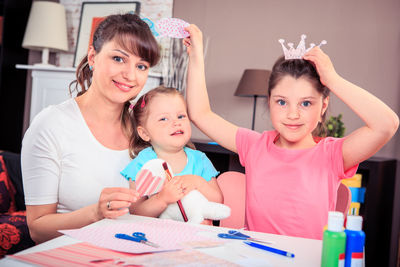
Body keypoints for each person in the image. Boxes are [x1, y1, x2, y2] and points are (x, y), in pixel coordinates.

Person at [184, 26, 399, 239]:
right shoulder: (254, 145)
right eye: (282, 102)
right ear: (269, 101)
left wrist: (333, 79)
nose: (292, 114)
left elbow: (386, 124)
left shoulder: (333, 154)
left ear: (323, 106)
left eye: (305, 103)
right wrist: (196, 56)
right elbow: (200, 114)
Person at [21, 13, 160, 243]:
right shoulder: (51, 125)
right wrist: (95, 213)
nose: (130, 75)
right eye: (118, 58)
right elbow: (37, 229)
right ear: (93, 57)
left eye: (141, 65)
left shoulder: (144, 130)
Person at [120, 86, 223, 221]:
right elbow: (136, 211)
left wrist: (198, 182)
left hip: (195, 235)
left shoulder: (200, 160)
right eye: (163, 119)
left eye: (181, 116)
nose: (176, 122)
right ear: (144, 133)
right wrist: (162, 199)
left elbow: (218, 202)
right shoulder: (143, 163)